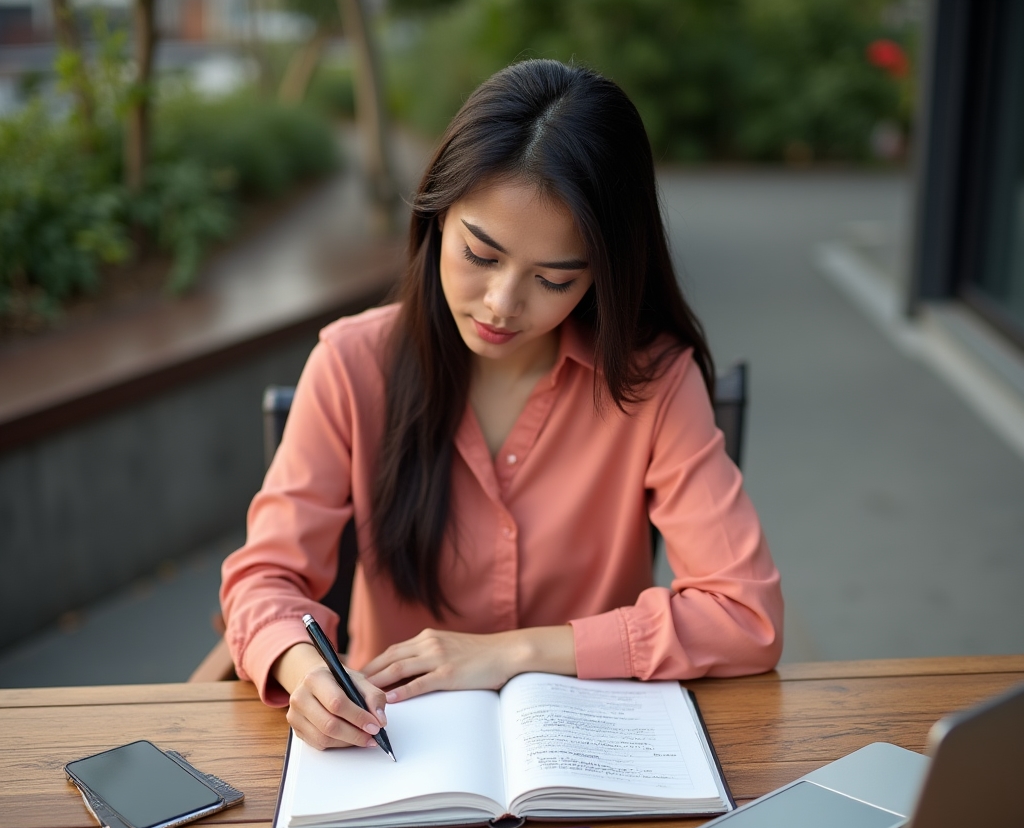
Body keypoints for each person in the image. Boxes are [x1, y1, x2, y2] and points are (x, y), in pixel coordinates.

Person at [221, 59, 783, 752]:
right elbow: (264, 579)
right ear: (436, 214)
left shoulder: (653, 383)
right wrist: (304, 671)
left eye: (553, 279)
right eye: (480, 256)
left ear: (604, 275)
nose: (501, 305)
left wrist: (515, 653)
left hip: (590, 753)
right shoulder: (351, 363)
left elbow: (744, 614)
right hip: (397, 752)